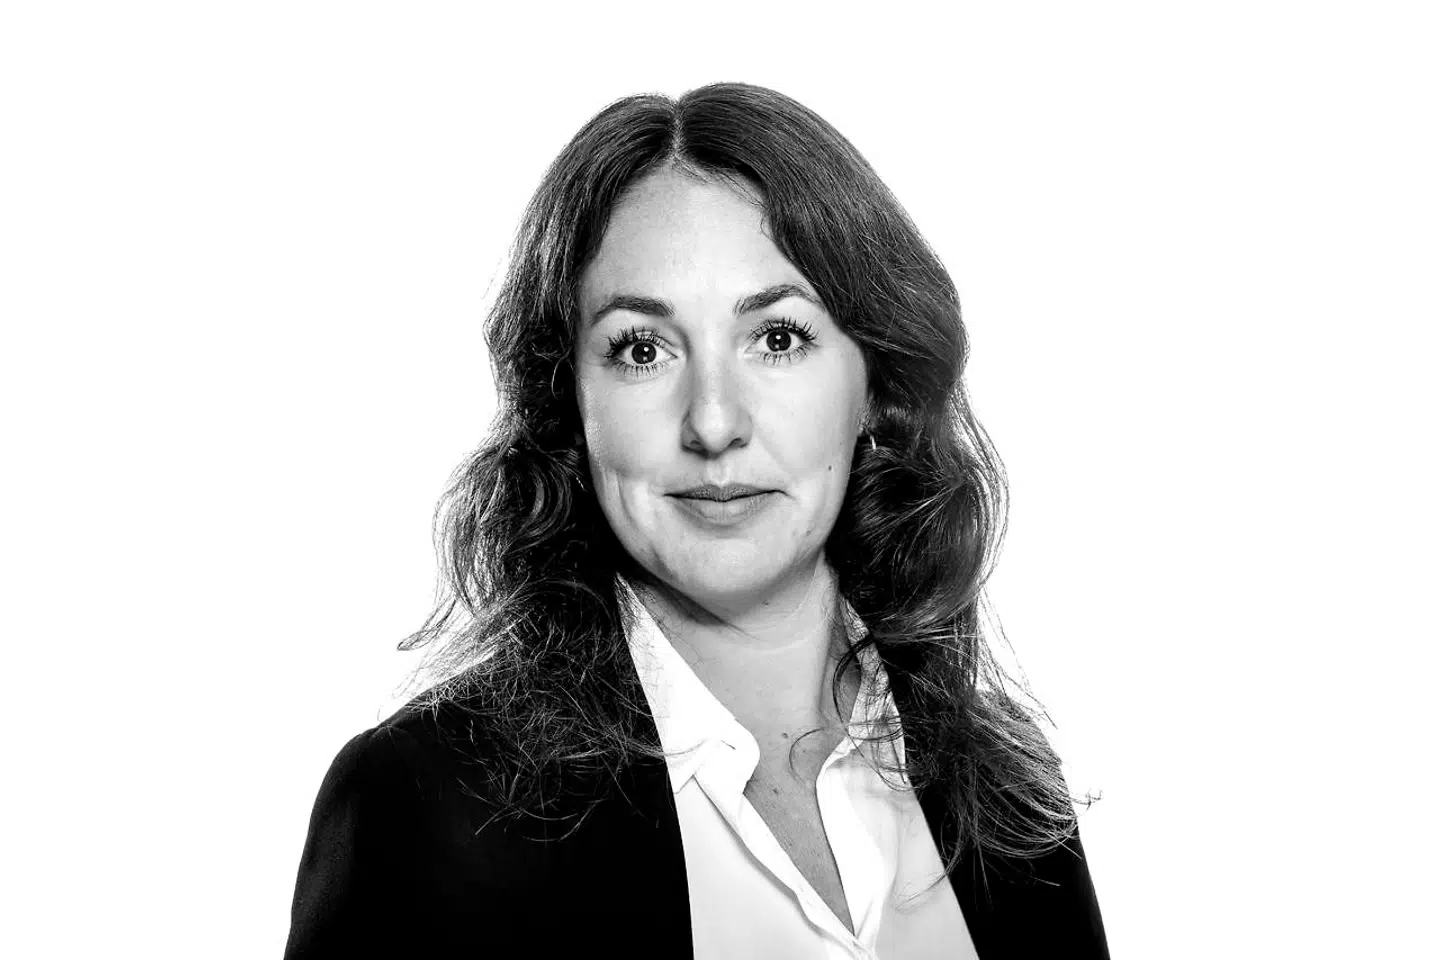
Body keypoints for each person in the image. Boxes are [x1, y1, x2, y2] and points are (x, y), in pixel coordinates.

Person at [284, 82, 1108, 959]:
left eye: (778, 338)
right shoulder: (426, 805)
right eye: (642, 349)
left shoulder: (1008, 798)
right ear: (570, 400)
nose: (713, 423)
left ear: (879, 382)